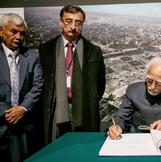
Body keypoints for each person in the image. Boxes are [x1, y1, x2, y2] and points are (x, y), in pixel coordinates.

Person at [38, 4, 106, 144]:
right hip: (56, 108)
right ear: (61, 22)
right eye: (68, 21)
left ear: (82, 25)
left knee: (83, 147)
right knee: (56, 147)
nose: (73, 26)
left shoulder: (94, 51)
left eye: (78, 22)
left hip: (84, 109)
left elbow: (100, 84)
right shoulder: (46, 49)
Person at [0, 13, 43, 162]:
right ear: (1, 30)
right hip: (1, 124)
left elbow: (38, 85)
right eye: (13, 31)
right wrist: (8, 113)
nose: (19, 37)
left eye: (22, 33)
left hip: (26, 126)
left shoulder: (32, 56)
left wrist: (23, 108)